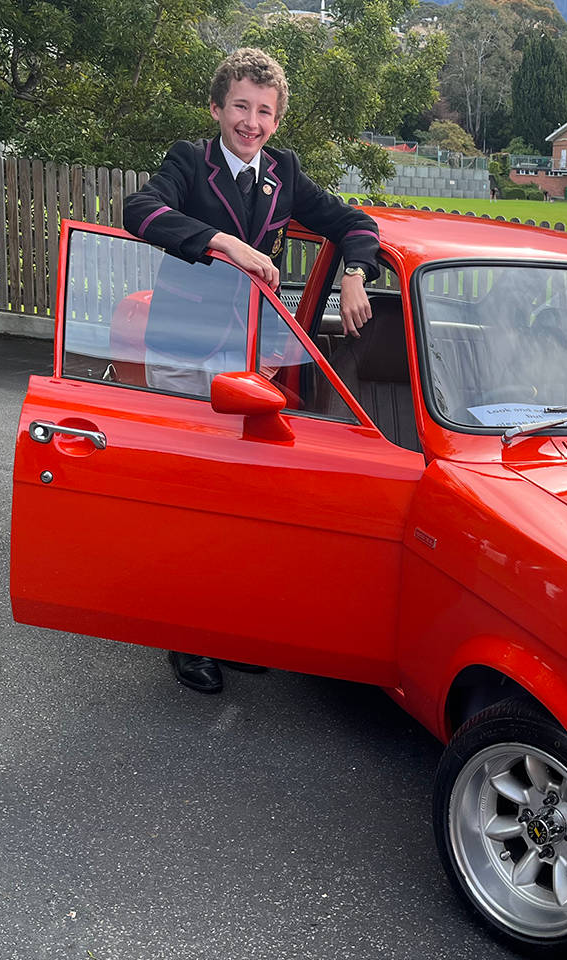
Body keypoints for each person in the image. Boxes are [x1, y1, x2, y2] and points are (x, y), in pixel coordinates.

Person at [122, 47, 381, 695]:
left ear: (277, 118)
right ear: (217, 108)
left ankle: (227, 623)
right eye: (241, 106)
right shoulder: (188, 161)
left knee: (241, 491)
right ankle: (187, 637)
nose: (252, 121)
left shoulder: (284, 172)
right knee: (193, 491)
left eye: (265, 111)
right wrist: (225, 243)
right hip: (184, 347)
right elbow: (141, 211)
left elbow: (354, 222)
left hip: (246, 352)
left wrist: (355, 271)